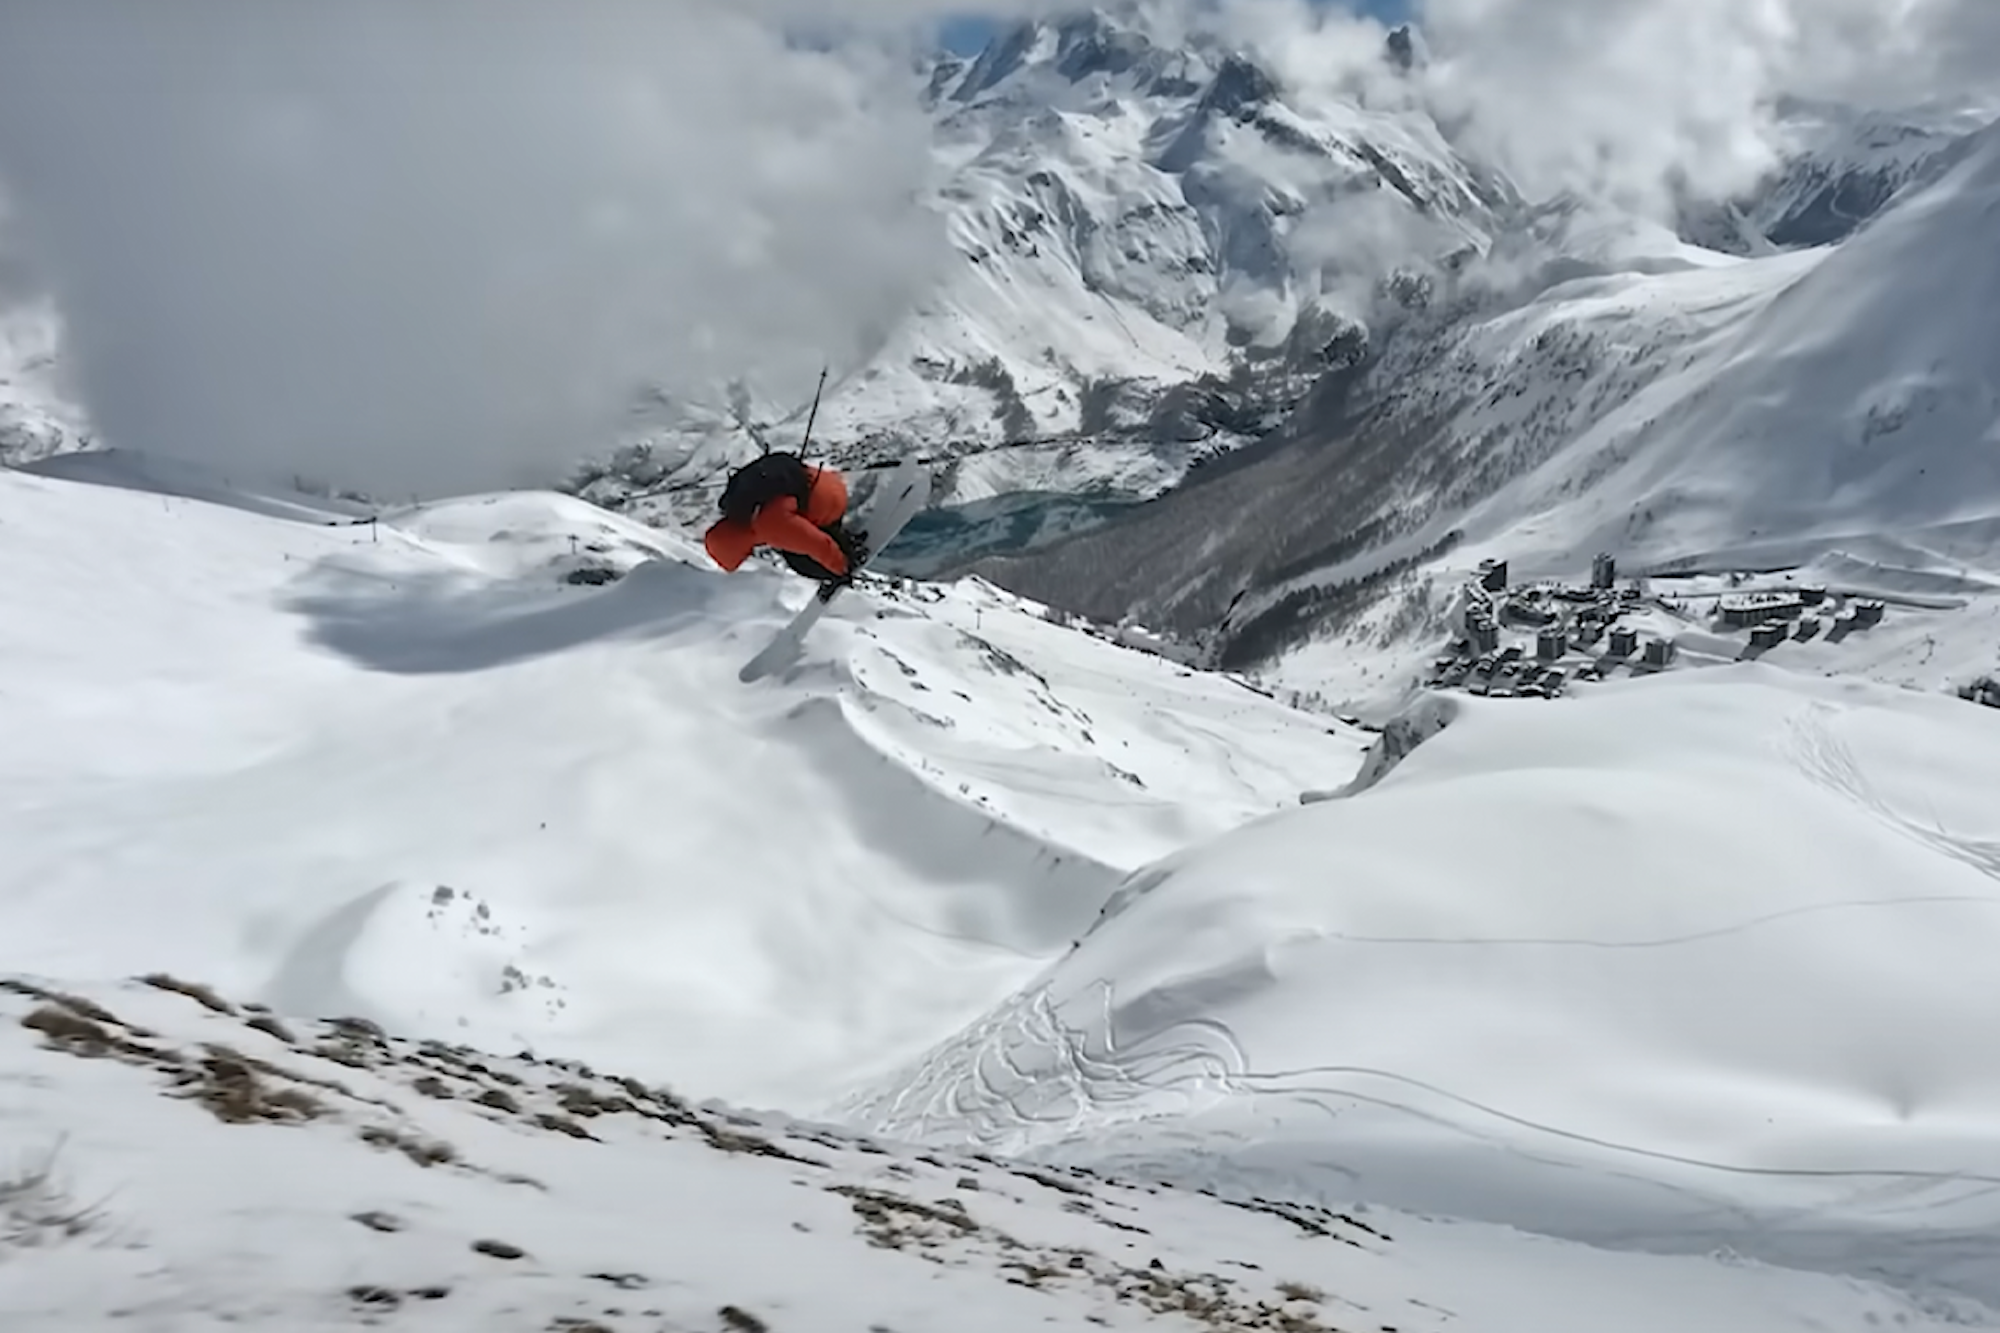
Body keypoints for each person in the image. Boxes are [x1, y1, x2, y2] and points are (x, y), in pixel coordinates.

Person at [702, 451, 870, 587]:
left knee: (798, 560)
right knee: (793, 540)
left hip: (833, 501)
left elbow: (814, 542)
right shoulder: (743, 507)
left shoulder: (766, 525)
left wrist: (841, 567)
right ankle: (842, 545)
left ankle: (848, 554)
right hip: (825, 481)